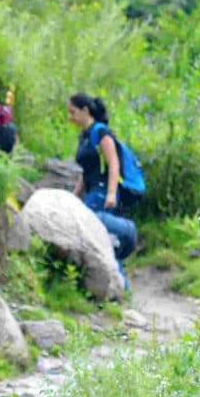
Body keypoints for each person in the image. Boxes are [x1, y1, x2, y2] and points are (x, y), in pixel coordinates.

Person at [67, 93, 137, 288]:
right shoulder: (86, 136)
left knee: (99, 237)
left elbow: (113, 162)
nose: (70, 117)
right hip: (91, 192)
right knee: (104, 241)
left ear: (85, 110)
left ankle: (129, 234)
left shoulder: (100, 132)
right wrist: (73, 197)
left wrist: (112, 193)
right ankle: (120, 287)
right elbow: (86, 172)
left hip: (101, 192)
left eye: (73, 112)